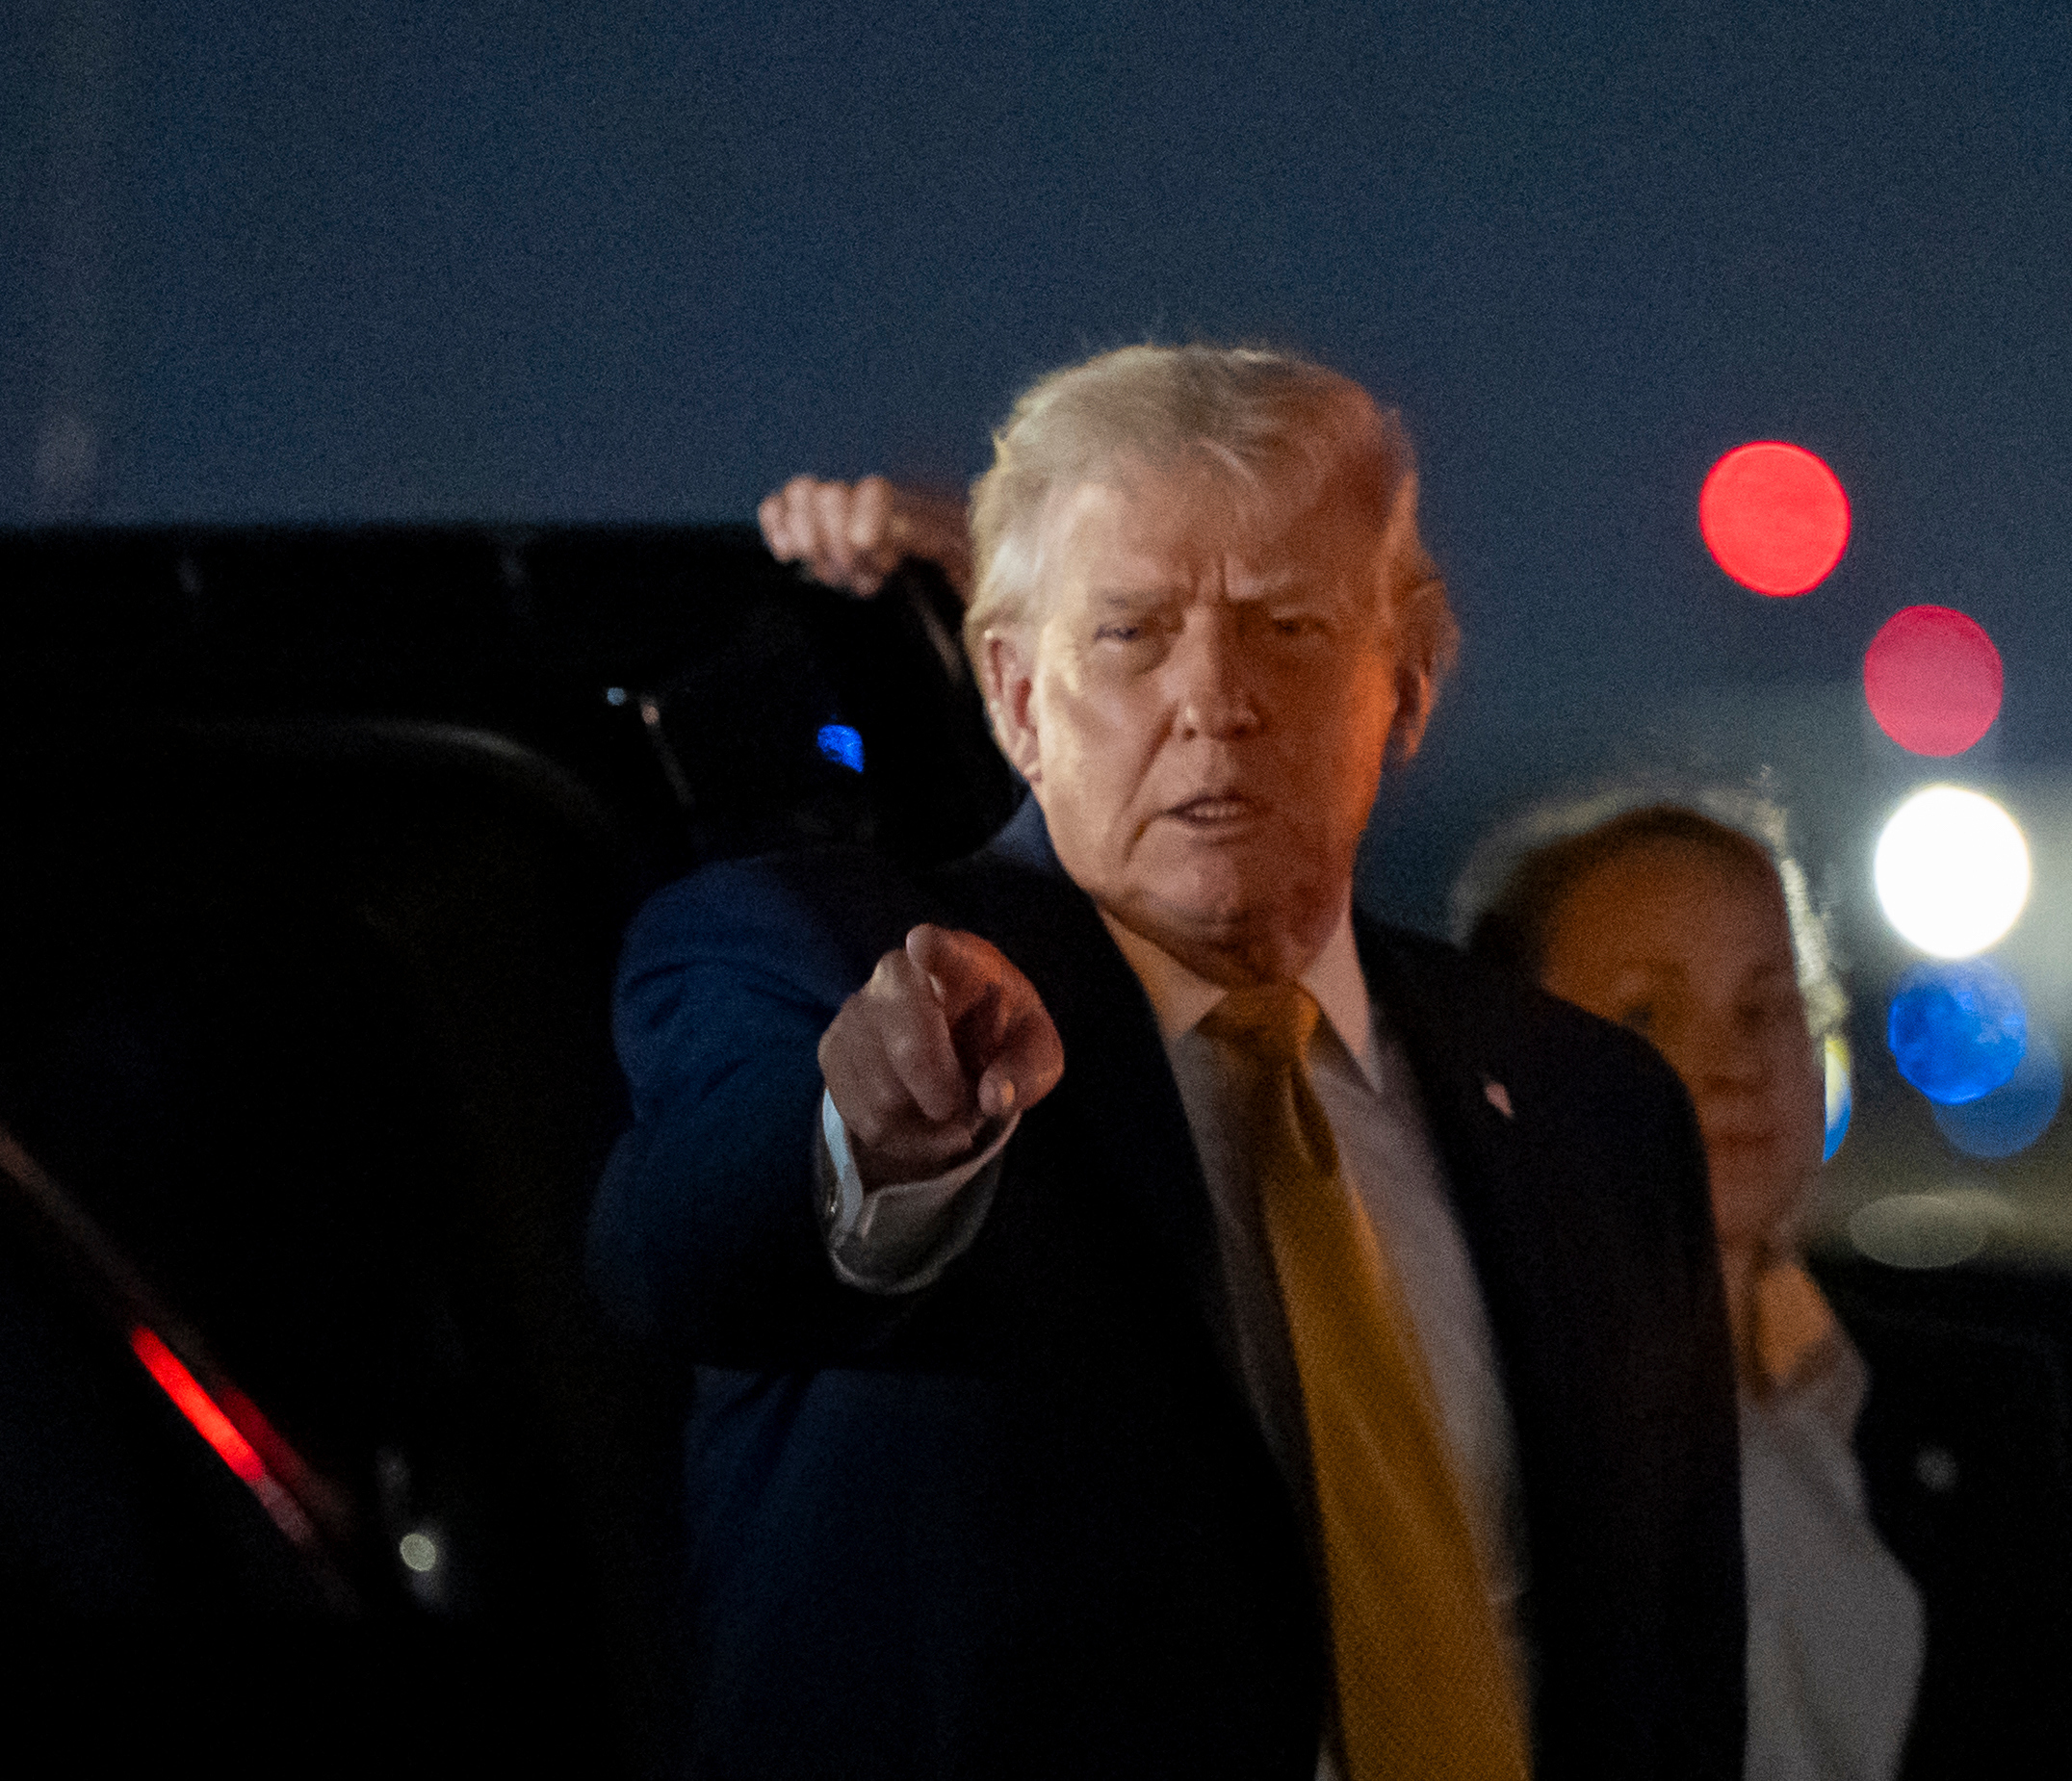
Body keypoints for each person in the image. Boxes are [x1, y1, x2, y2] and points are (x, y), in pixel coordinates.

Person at [590, 346, 1745, 1779]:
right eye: (1131, 634)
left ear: (1409, 684)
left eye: (1287, 626)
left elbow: (1669, 1673)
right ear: (1012, 697)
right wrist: (875, 1140)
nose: (1214, 698)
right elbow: (677, 1246)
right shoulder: (820, 957)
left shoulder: (1590, 1106)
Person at [1464, 798, 2072, 1781]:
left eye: (1765, 1006)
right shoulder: (1457, 1421)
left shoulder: (1974, 1415)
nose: (1731, 1063)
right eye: (1646, 1013)